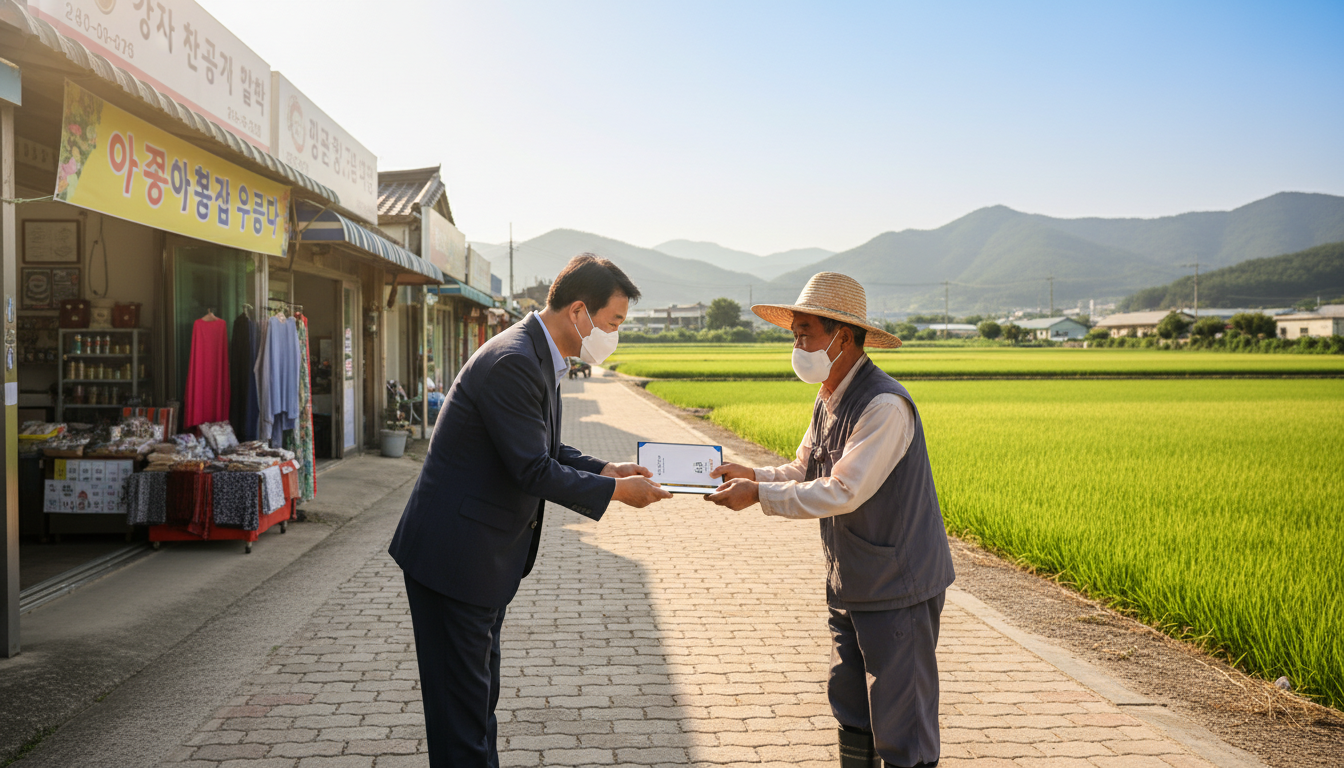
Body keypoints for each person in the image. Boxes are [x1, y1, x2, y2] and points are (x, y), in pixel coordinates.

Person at [389, 254, 672, 767]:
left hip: (479, 561)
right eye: (613, 324)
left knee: (476, 706)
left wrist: (608, 469)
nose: (614, 336)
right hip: (455, 560)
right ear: (580, 312)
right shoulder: (515, 360)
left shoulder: (540, 356)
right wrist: (615, 494)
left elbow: (547, 449)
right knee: (463, 717)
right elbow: (533, 471)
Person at [705, 271, 955, 768]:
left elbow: (843, 489)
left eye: (805, 333)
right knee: (851, 705)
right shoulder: (828, 395)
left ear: (842, 336)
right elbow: (803, 468)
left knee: (903, 724)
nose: (797, 344)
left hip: (896, 585)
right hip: (851, 580)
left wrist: (759, 495)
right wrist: (751, 472)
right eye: (794, 333)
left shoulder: (884, 405)